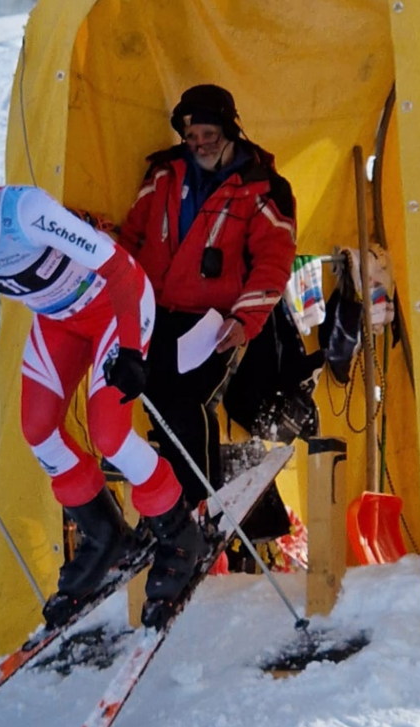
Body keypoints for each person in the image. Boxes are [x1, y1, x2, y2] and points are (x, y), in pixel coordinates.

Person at [0, 140, 204, 629]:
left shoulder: (28, 212)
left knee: (110, 433)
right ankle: (107, 537)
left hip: (113, 307)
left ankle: (179, 532)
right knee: (38, 430)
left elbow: (121, 271)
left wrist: (128, 350)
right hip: (60, 320)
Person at [118, 84, 297, 508]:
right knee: (153, 400)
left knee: (184, 402)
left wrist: (243, 320)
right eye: (191, 136)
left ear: (230, 129)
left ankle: (196, 504)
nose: (198, 144)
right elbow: (132, 235)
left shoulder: (264, 187)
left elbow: (274, 263)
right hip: (154, 311)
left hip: (212, 321)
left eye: (208, 135)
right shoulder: (163, 173)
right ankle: (174, 504)